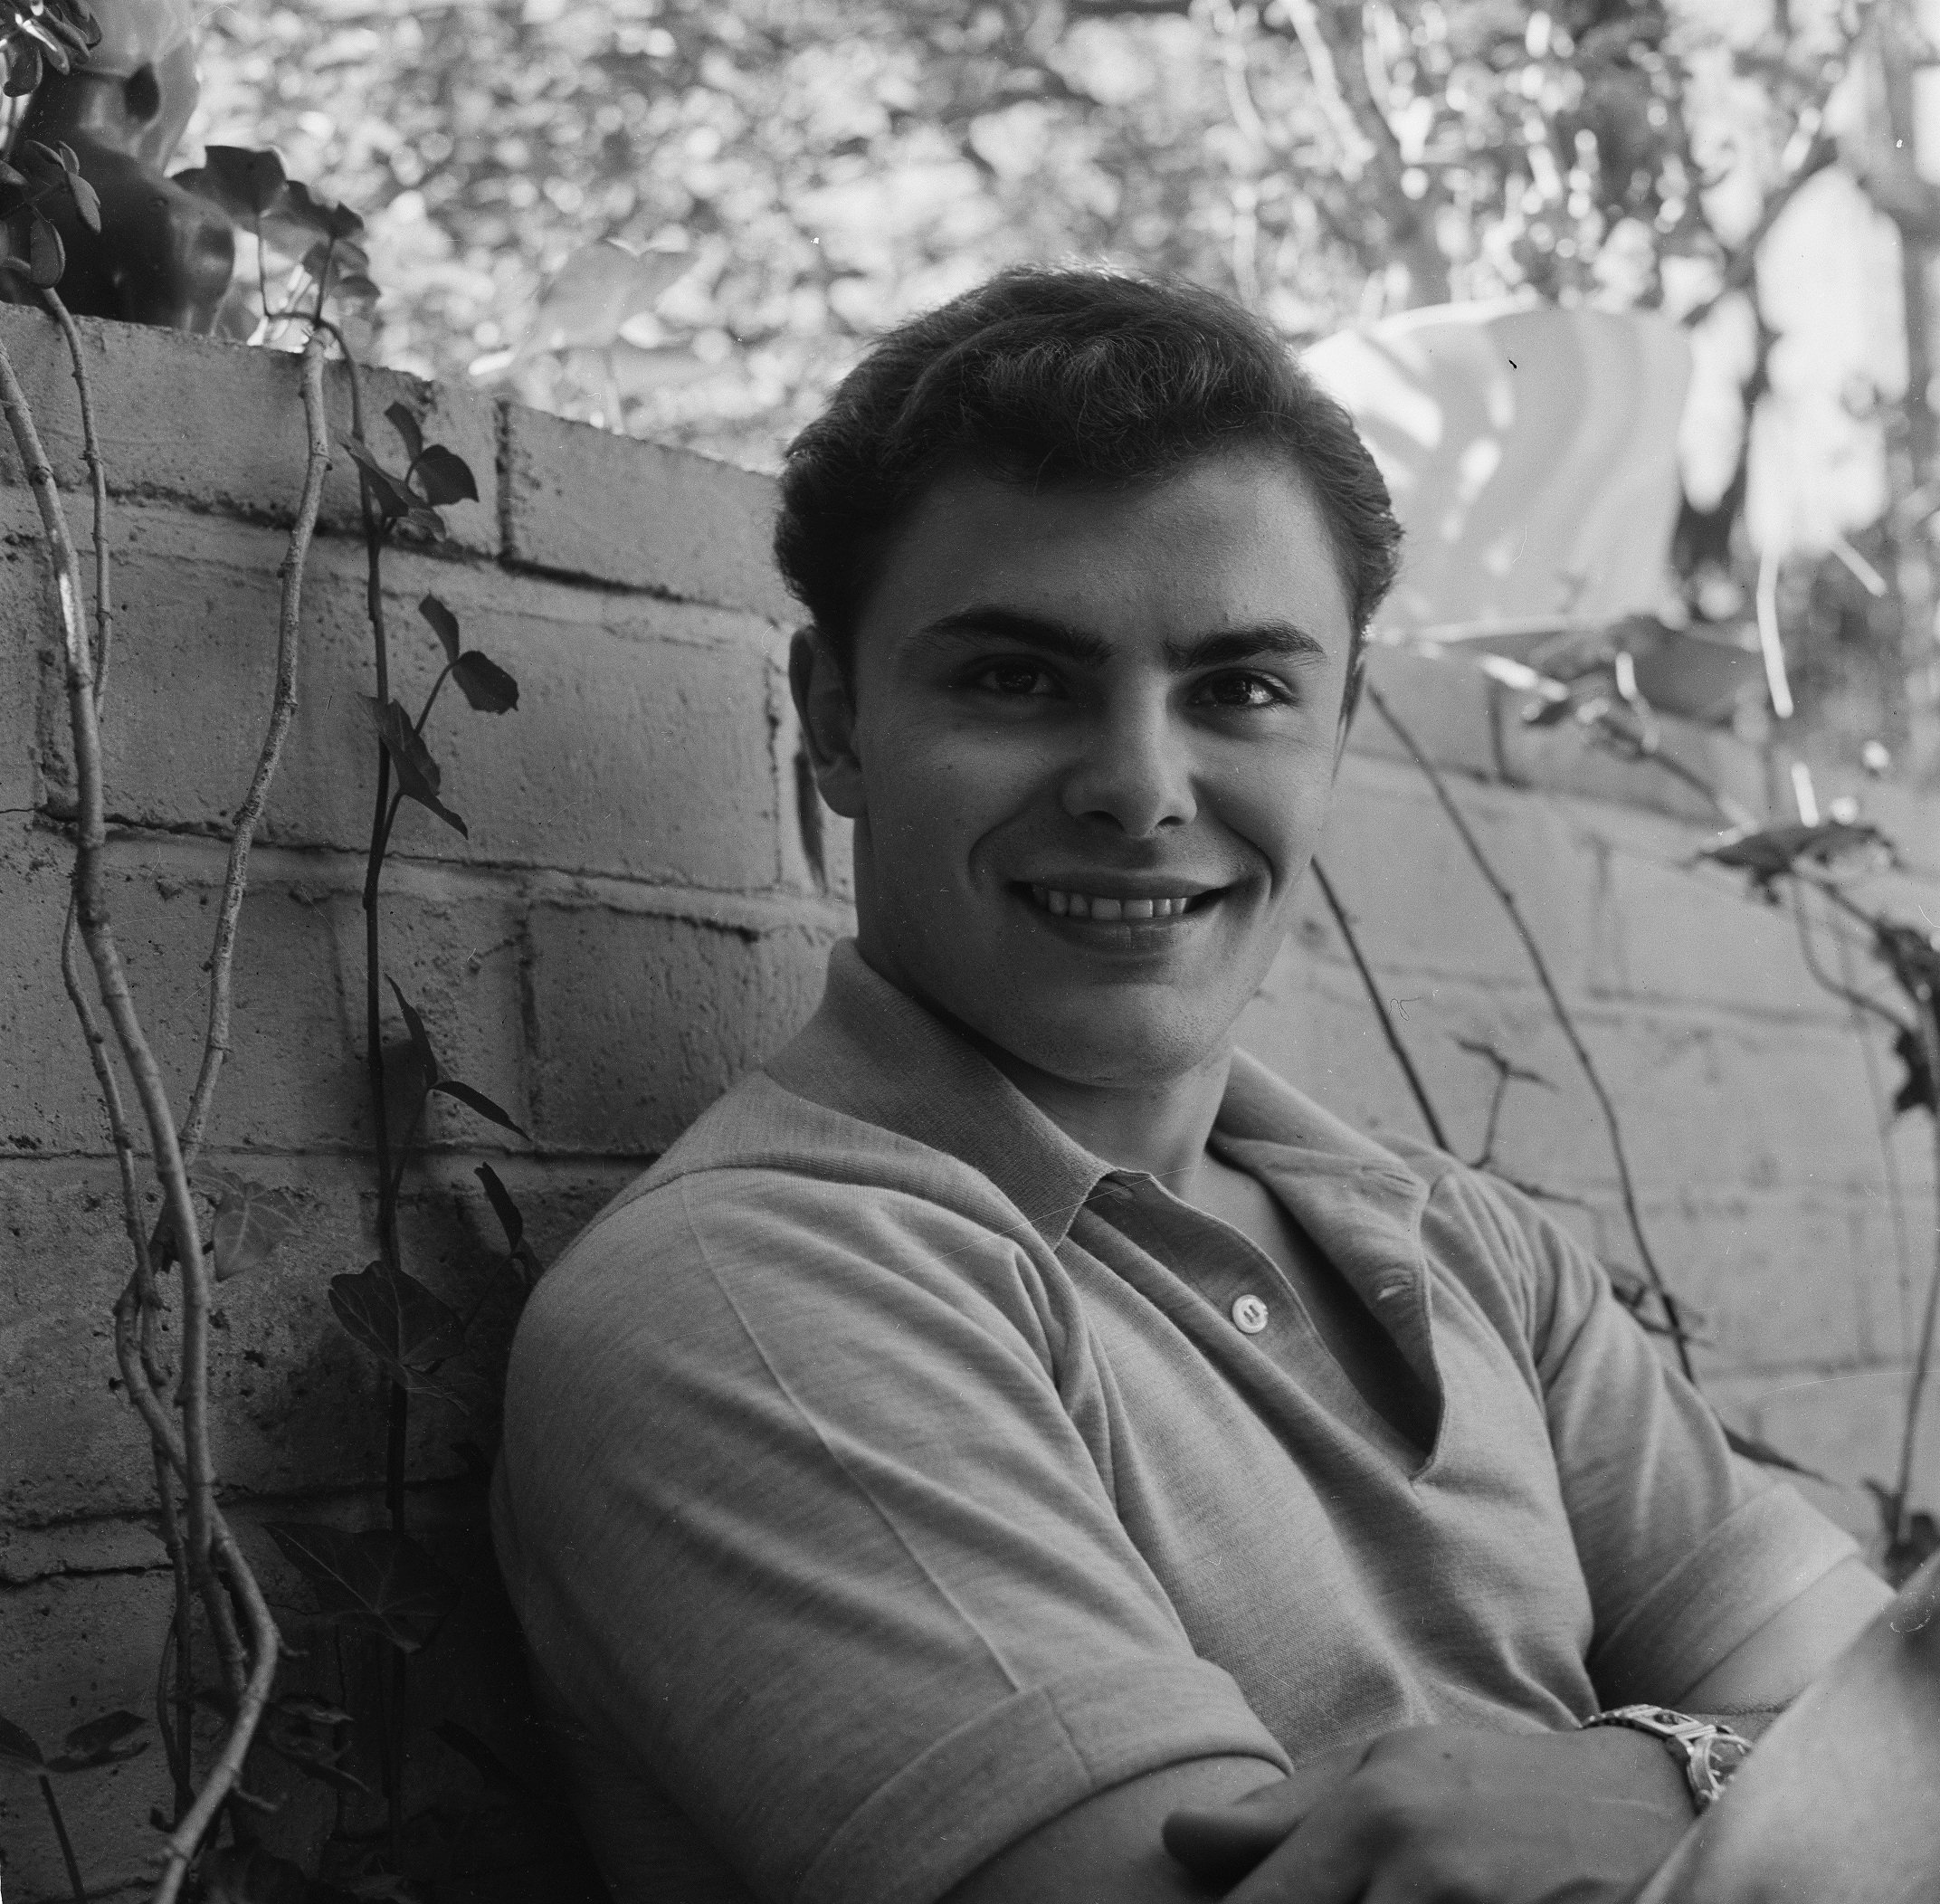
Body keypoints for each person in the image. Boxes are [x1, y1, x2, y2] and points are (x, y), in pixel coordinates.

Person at [491, 268, 1891, 1904]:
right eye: (1016, 679)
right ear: (835, 721)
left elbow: (1884, 1712)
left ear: (1338, 725)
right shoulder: (754, 1304)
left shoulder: (1470, 1248)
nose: (1141, 789)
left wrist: (1656, 1781)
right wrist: (1756, 1778)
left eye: (1238, 688)